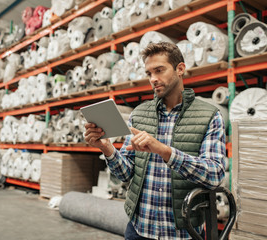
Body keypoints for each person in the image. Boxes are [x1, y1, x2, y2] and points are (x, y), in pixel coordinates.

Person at [84, 42, 226, 240]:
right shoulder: (139, 114)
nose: (153, 79)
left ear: (180, 69)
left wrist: (166, 152)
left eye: (159, 70)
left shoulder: (209, 116)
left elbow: (215, 174)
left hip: (183, 233)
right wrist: (107, 149)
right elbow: (125, 173)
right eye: (149, 73)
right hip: (139, 230)